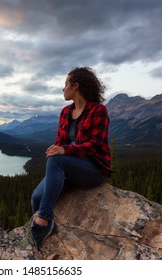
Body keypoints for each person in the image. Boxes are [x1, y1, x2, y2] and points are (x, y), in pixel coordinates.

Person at [30, 66, 112, 248]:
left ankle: (44, 221)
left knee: (57, 159)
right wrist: (56, 149)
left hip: (94, 168)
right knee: (36, 197)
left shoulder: (98, 110)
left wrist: (64, 151)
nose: (63, 88)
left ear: (75, 86)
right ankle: (42, 230)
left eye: (65, 84)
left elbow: (96, 145)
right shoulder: (66, 112)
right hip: (70, 168)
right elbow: (61, 143)